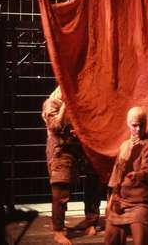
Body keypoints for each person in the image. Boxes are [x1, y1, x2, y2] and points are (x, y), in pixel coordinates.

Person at [42, 86, 102, 245]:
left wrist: (81, 130)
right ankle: (58, 230)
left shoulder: (82, 100)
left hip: (81, 145)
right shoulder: (52, 103)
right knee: (60, 187)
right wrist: (66, 105)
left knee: (93, 177)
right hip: (61, 148)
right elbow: (55, 126)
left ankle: (91, 222)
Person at [104, 107, 148, 245]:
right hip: (121, 202)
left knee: (141, 241)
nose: (138, 129)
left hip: (140, 203)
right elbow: (116, 177)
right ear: (128, 124)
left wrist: (139, 174)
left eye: (142, 125)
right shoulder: (124, 146)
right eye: (135, 125)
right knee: (111, 239)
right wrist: (111, 200)